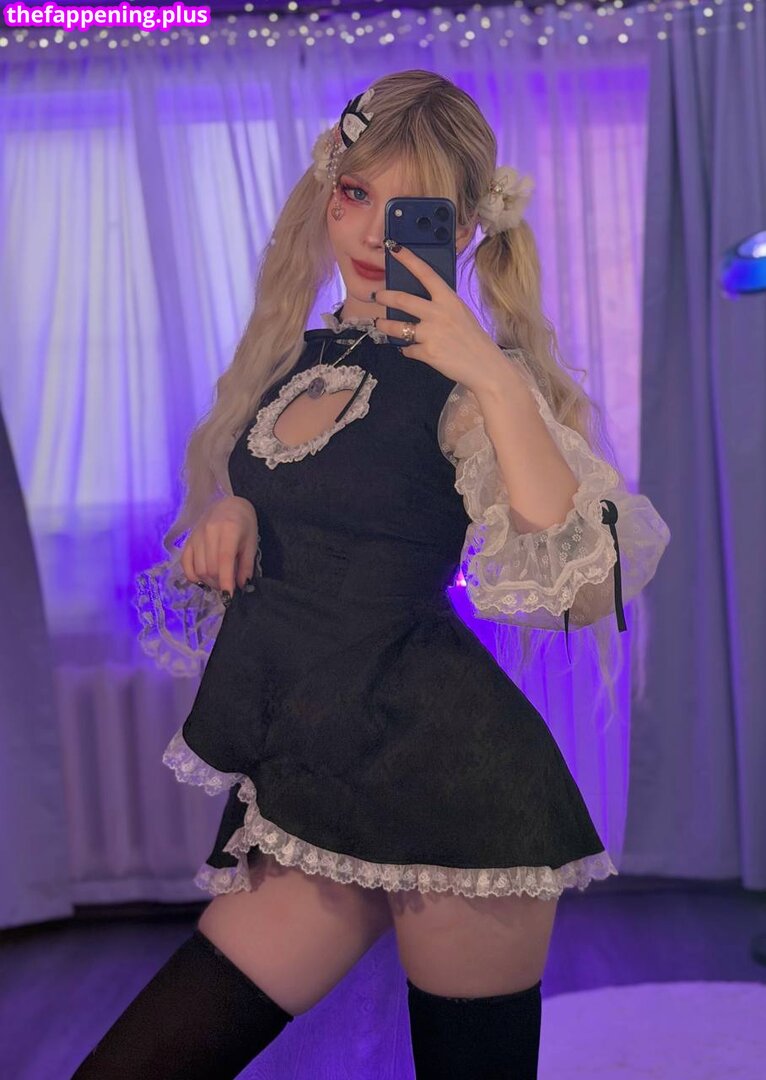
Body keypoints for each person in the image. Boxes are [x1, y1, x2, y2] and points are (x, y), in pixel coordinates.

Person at [73, 70, 670, 1079]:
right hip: (321, 782)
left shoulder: (475, 386)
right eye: (355, 193)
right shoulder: (294, 359)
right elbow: (311, 512)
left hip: (459, 793)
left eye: (412, 211)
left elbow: (577, 582)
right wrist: (234, 509)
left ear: (464, 229)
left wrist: (489, 370)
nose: (370, 231)